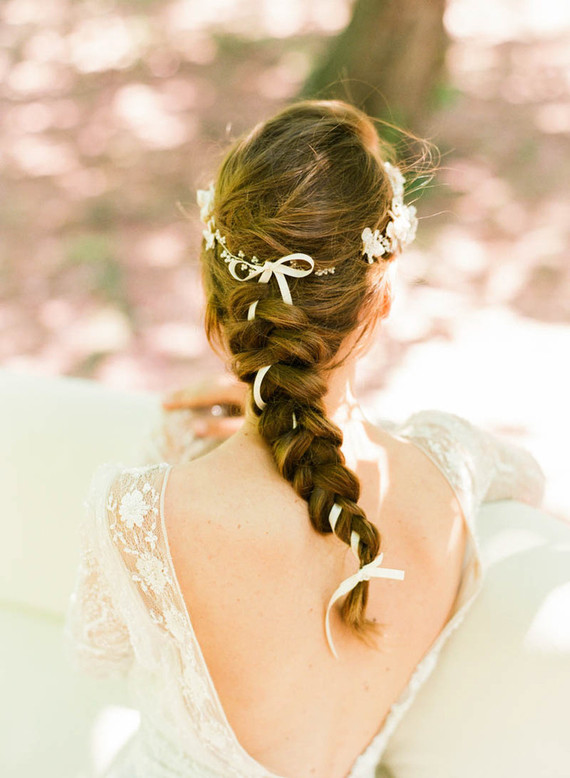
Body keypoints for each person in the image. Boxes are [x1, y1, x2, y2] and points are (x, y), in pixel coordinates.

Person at [63, 100, 546, 778]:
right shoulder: (451, 463)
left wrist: (178, 454)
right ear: (379, 304)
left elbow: (101, 656)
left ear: (215, 307)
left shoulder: (139, 512)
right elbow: (530, 483)